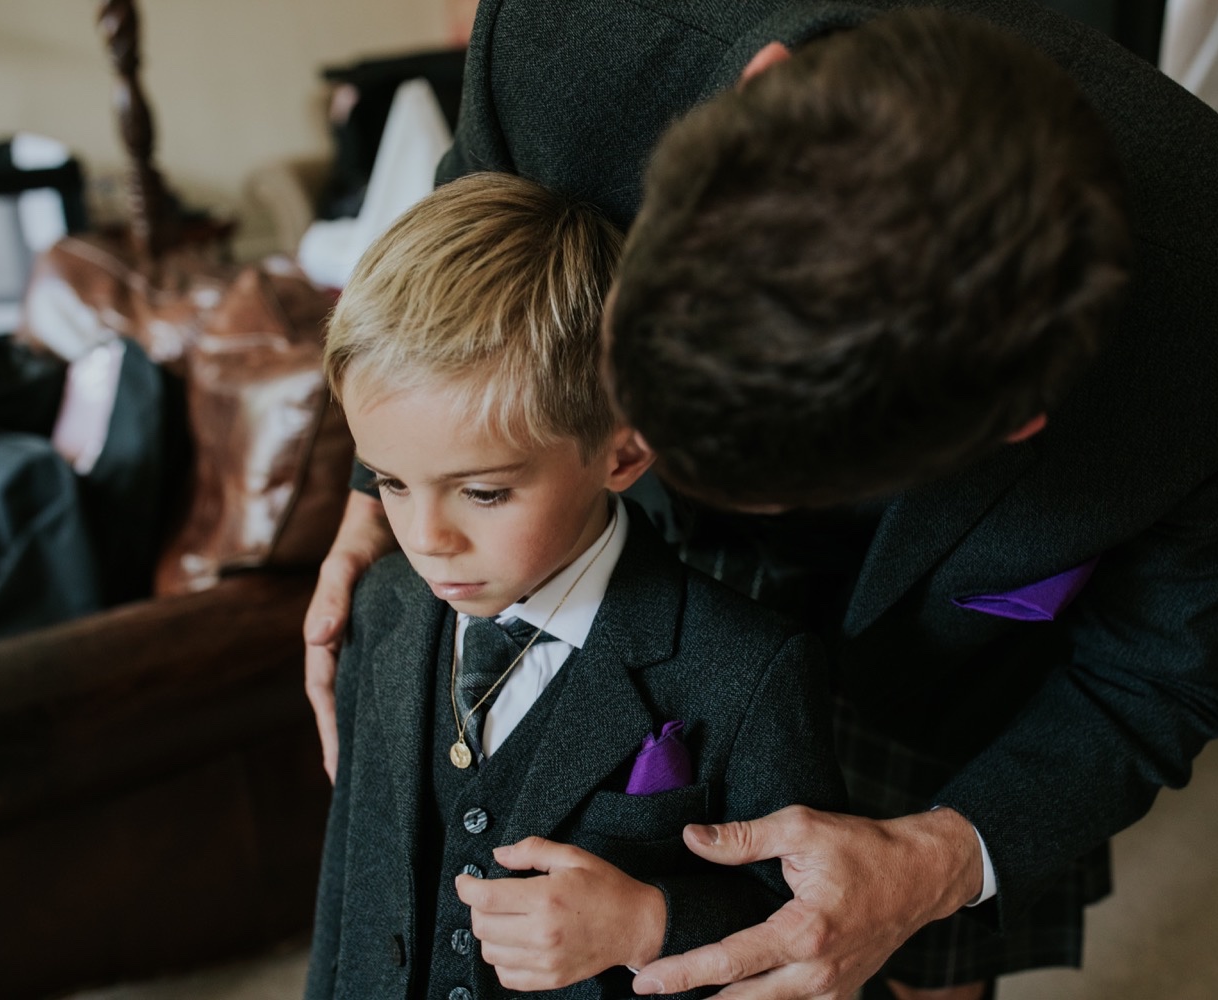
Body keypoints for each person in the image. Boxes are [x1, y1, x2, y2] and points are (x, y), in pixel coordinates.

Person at [305, 4, 1218, 998]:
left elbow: (1156, 679)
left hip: (944, 659)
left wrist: (936, 862)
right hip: (587, 537)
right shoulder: (569, 32)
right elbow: (461, 247)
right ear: (762, 86)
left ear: (1015, 421)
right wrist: (377, 497)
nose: (644, 453)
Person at [305, 171, 845, 1000]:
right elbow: (348, 888)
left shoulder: (749, 671)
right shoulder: (381, 610)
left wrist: (647, 923)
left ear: (622, 454)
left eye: (483, 492)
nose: (425, 538)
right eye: (390, 483)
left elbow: (806, 930)